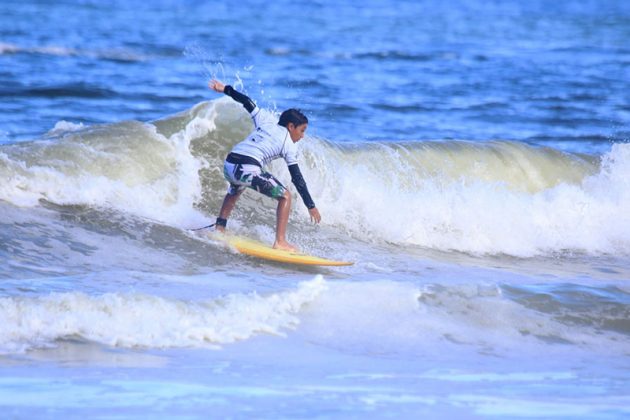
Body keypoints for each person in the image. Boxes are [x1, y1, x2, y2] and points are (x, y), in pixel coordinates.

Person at [208, 79, 321, 252]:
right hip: (247, 167)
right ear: (291, 126)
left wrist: (225, 89)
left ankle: (220, 227)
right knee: (285, 196)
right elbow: (297, 178)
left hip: (230, 164)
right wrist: (311, 206)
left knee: (236, 189)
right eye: (302, 130)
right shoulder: (289, 144)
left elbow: (246, 101)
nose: (302, 136)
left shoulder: (266, 120)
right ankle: (280, 242)